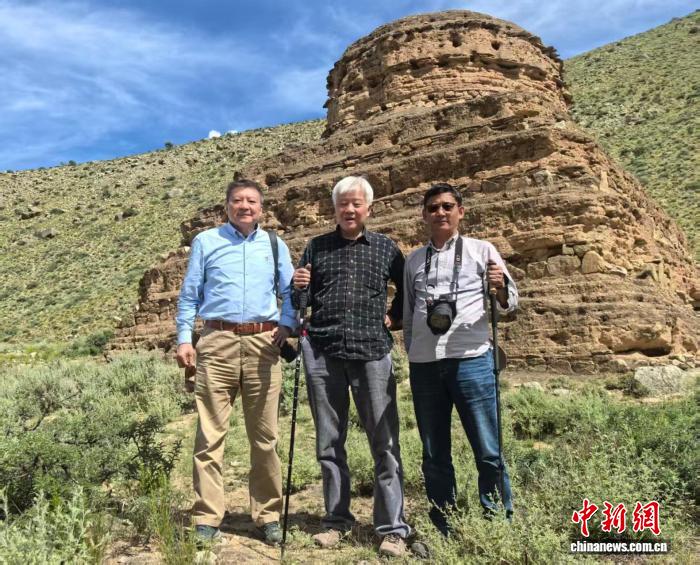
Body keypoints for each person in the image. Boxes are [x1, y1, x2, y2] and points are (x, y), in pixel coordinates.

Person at [292, 176, 410, 557]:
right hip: (323, 351)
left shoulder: (386, 248)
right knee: (329, 442)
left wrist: (395, 317)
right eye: (343, 203)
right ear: (335, 209)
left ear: (368, 208)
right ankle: (336, 520)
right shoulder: (317, 247)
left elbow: (407, 288)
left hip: (372, 351)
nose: (349, 209)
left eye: (356, 203)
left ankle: (392, 528)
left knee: (384, 442)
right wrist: (298, 286)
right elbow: (300, 299)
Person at [175, 179, 296, 545]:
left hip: (264, 342)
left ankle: (268, 516)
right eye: (238, 200)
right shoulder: (206, 241)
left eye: (252, 201)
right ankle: (207, 517)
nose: (245, 206)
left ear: (261, 208)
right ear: (226, 206)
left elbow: (290, 291)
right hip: (217, 341)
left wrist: (287, 325)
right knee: (210, 435)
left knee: (265, 437)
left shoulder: (274, 244)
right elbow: (189, 295)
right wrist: (184, 338)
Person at [403, 183, 518, 536]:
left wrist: (499, 287)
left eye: (447, 206)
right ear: (424, 215)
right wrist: (413, 350)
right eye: (433, 207)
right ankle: (444, 524)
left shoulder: (483, 250)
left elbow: (509, 303)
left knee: (488, 448)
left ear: (461, 212)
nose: (440, 212)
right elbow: (408, 312)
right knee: (434, 453)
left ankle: (497, 524)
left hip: (471, 360)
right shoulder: (413, 260)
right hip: (425, 365)